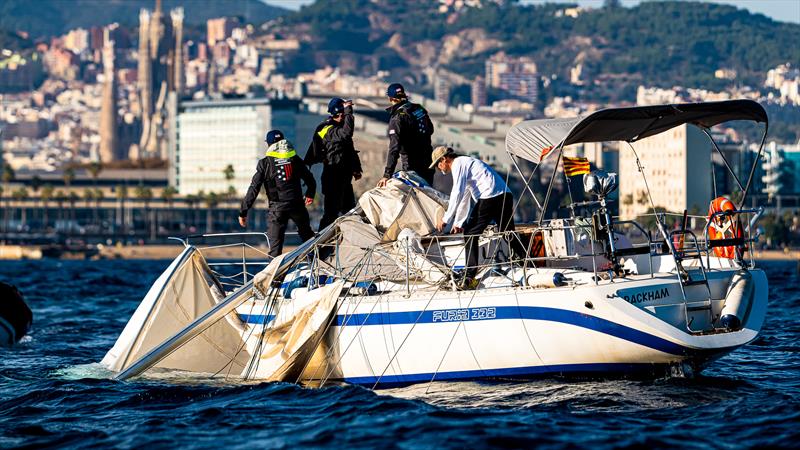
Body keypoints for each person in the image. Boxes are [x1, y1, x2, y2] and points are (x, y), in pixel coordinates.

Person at [433, 146, 522, 289]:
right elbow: (465, 197)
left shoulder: (458, 164)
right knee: (507, 233)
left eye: (438, 164)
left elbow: (457, 192)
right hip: (505, 195)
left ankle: (469, 274)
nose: (438, 168)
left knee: (470, 233)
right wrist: (458, 222)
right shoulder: (467, 163)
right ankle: (528, 261)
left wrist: (445, 220)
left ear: (444, 159)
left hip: (490, 196)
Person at [239, 130, 316, 257]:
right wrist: (310, 194)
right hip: (297, 206)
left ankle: (275, 276)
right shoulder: (294, 159)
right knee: (308, 237)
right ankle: (318, 265)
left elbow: (254, 188)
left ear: (268, 145)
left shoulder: (265, 163)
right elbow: (310, 179)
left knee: (275, 248)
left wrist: (243, 211)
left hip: (277, 209)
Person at [305, 97, 363, 230]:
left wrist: (356, 169)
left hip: (344, 177)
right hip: (332, 178)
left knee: (350, 213)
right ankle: (319, 248)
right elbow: (347, 134)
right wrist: (349, 111)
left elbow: (349, 150)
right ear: (340, 113)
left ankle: (352, 245)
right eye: (344, 114)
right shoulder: (326, 128)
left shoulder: (338, 128)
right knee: (331, 215)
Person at [376, 83, 435, 187]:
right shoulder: (419, 108)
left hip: (412, 165)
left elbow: (394, 148)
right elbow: (430, 129)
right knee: (428, 195)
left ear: (390, 98)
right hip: (428, 161)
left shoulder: (397, 118)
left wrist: (387, 174)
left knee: (414, 198)